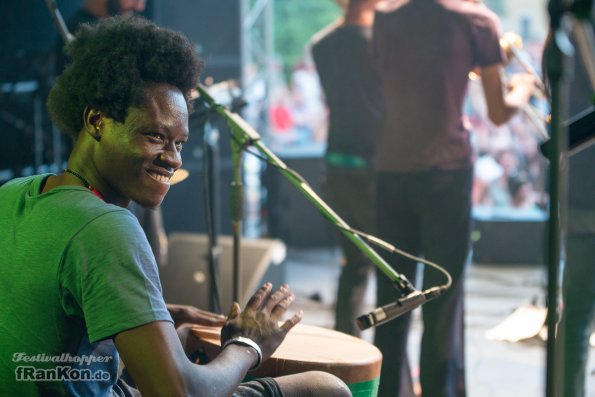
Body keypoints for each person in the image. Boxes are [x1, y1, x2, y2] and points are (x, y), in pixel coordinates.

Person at [0, 16, 351, 397]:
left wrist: (156, 320)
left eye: (179, 143)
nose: (173, 159)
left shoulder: (14, 193)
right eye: (155, 136)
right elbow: (178, 394)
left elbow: (47, 352)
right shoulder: (106, 227)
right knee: (325, 388)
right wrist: (248, 346)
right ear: (97, 121)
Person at [371, 1, 537, 396]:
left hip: (392, 168)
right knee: (442, 302)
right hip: (446, 172)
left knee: (393, 300)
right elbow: (498, 112)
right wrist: (525, 87)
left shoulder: (385, 17)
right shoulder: (478, 21)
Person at [310, 0, 383, 337]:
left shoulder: (322, 45)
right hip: (376, 164)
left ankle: (347, 352)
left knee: (353, 264)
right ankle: (391, 369)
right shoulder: (381, 42)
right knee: (388, 267)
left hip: (338, 161)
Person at [543, 8, 595, 396]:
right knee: (575, 315)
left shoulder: (565, 29)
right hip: (583, 193)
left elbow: (555, 94)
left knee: (575, 315)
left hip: (580, 190)